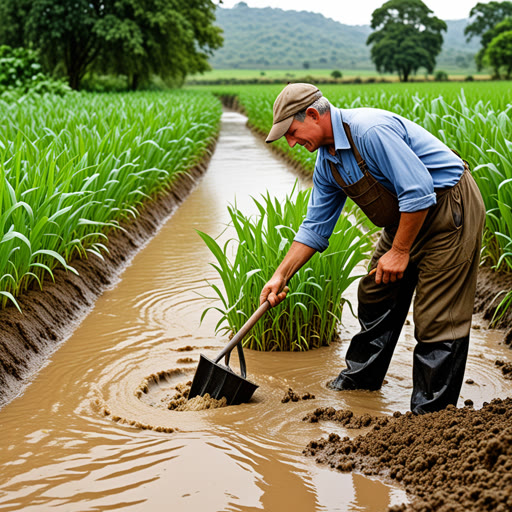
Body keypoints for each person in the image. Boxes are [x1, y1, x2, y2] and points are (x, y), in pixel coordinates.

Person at [260, 83, 485, 414]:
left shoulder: (369, 130)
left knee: (438, 316)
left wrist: (400, 251)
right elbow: (314, 228)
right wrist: (280, 275)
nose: (292, 143)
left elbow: (419, 190)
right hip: (406, 218)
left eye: (292, 133)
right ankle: (361, 381)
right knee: (376, 291)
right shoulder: (328, 165)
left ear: (312, 115)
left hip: (448, 209)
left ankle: (431, 417)